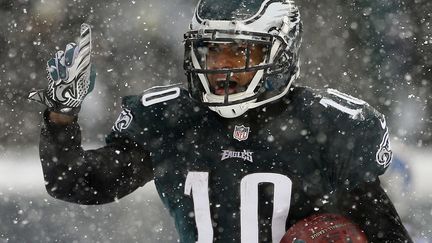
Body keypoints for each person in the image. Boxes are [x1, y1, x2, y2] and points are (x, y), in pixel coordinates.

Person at [29, 0, 413, 242]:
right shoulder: (173, 120)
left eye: (238, 53)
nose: (221, 67)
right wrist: (61, 115)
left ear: (281, 54)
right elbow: (78, 183)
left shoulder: (327, 126)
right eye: (212, 52)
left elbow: (387, 233)